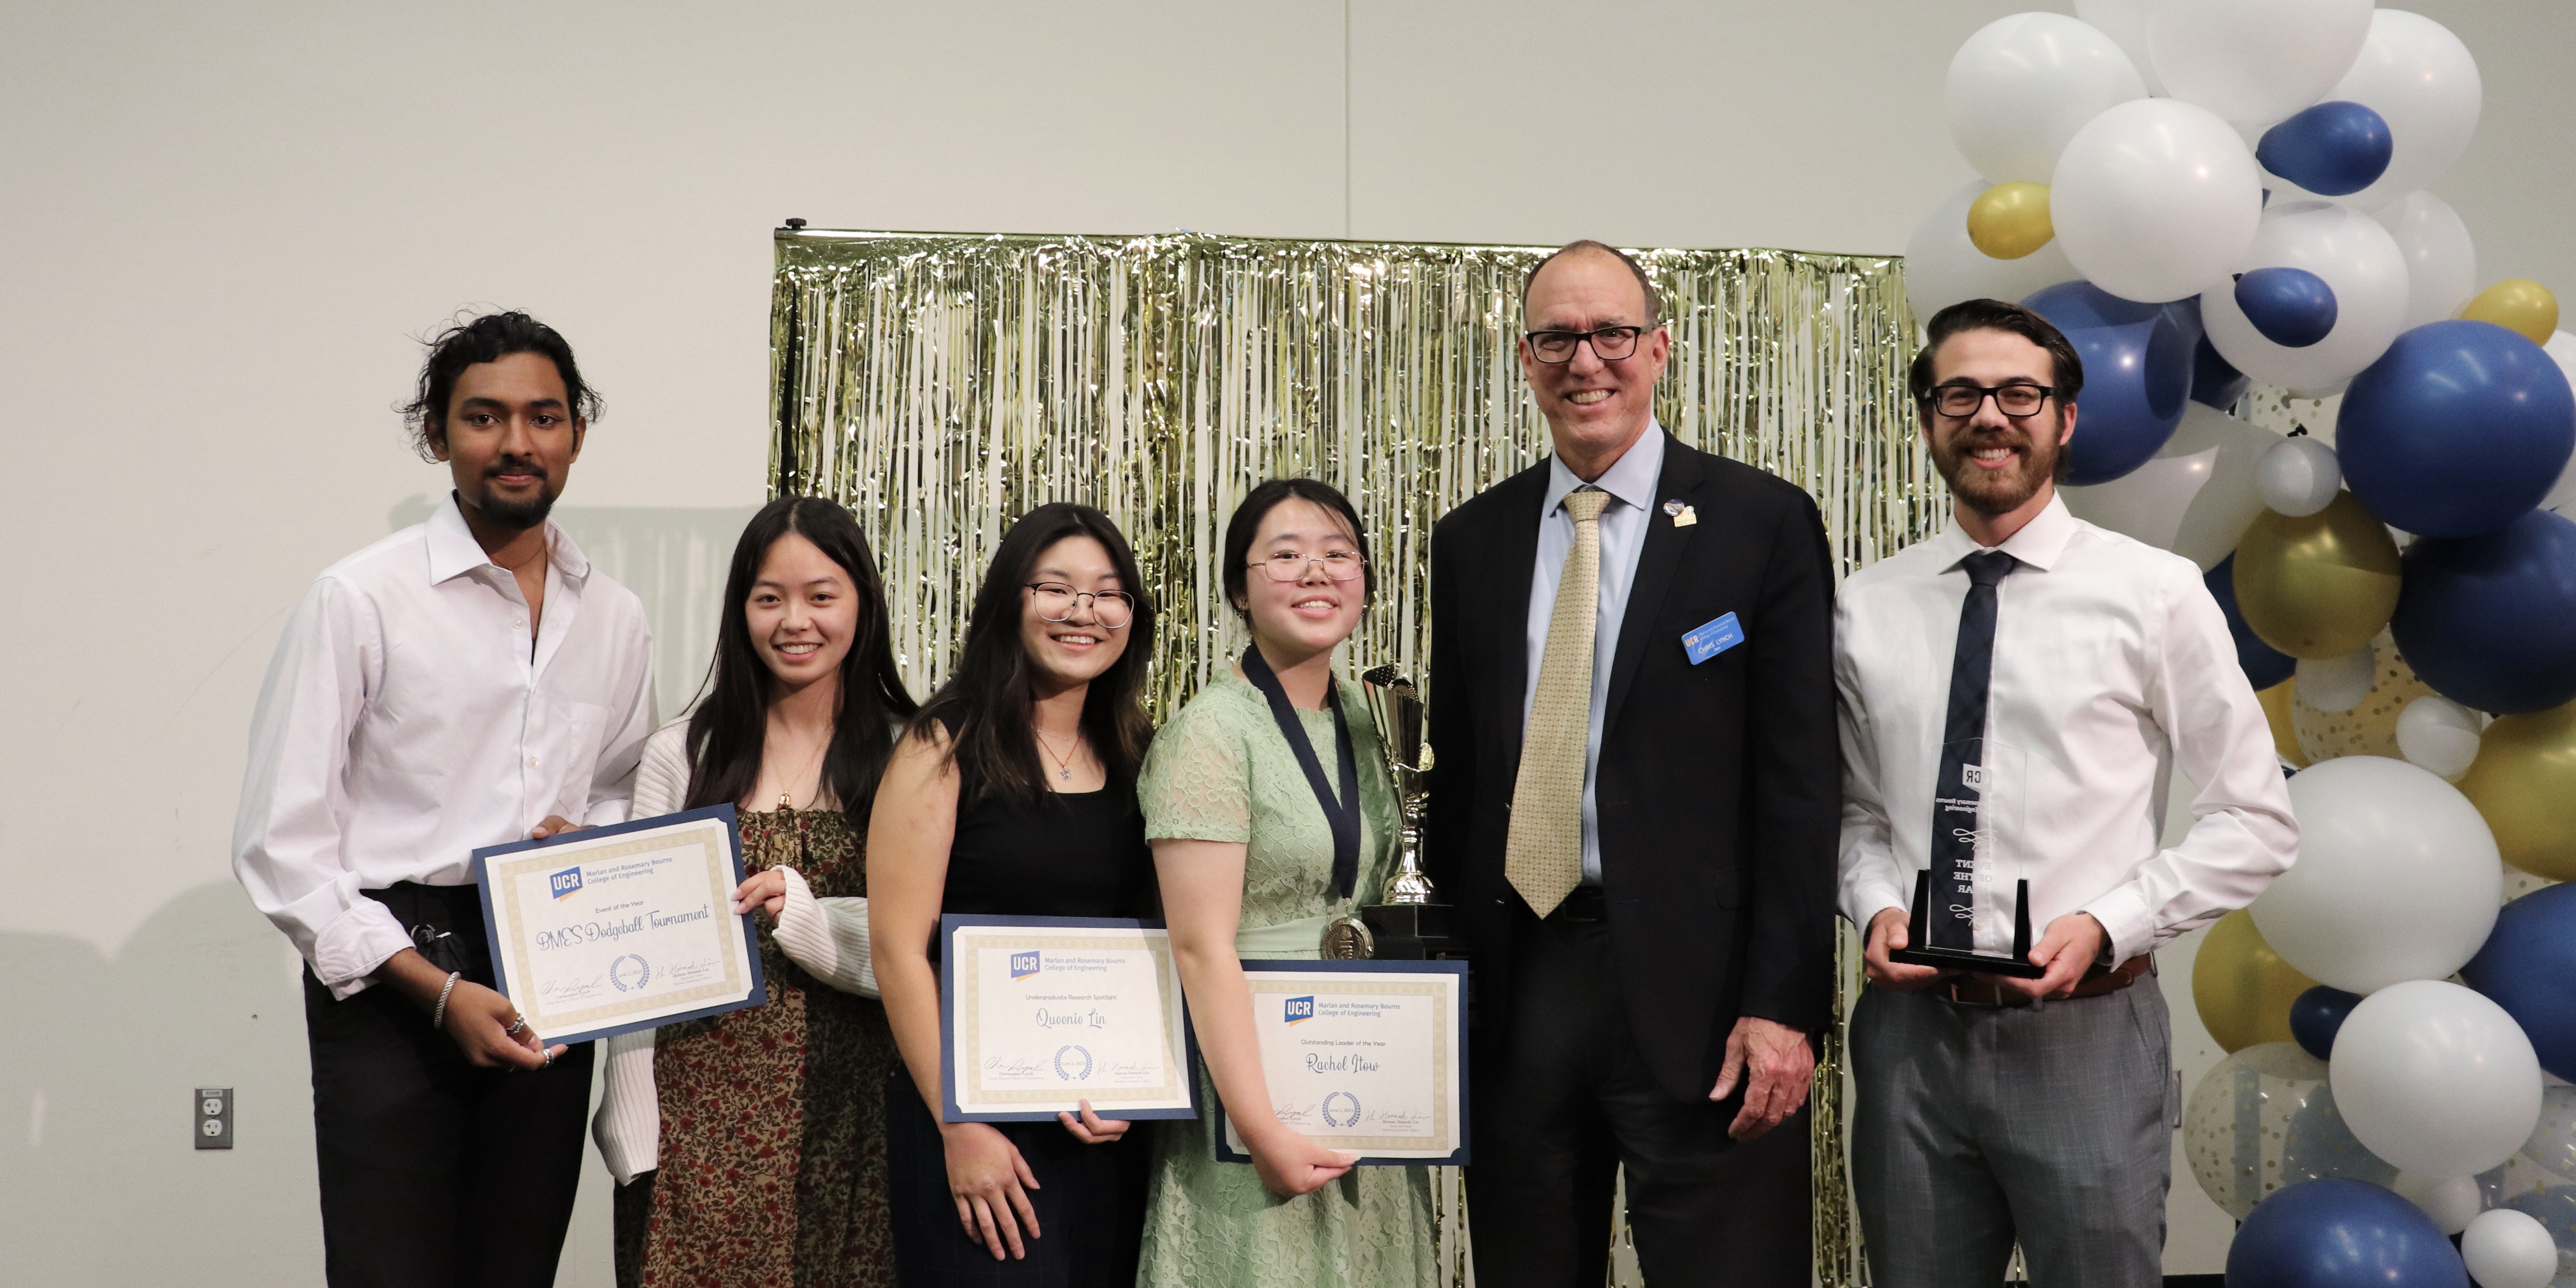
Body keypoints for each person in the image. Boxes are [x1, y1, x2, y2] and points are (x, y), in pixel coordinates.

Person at [1835, 298, 2299, 1288]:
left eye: (2019, 394)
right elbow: (1854, 812)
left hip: (2086, 1032)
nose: (1989, 417)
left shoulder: (2155, 593)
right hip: (1909, 1041)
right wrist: (1874, 904)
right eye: (1961, 395)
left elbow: (2256, 820)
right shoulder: (1865, 607)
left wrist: (2107, 924)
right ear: (1928, 418)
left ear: (2065, 419)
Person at [1423, 240, 1841, 1287]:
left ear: (1659, 349)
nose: (1586, 361)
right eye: (1557, 338)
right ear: (1526, 360)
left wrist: (1784, 1005)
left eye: (1612, 333)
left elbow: (1801, 786)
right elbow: (1461, 782)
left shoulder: (1761, 524)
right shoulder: (1473, 540)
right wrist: (1444, 992)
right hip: (1520, 988)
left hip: (1708, 1002)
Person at [232, 310, 653, 1287]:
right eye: (484, 417)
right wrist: (436, 988)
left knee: (517, 1264)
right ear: (437, 436)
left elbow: (621, 789)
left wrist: (586, 843)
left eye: (544, 417)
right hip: (394, 970)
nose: (518, 442)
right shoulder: (359, 599)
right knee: (392, 1269)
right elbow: (281, 842)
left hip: (552, 965)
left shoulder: (616, 615)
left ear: (577, 433)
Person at [592, 496, 919, 1286]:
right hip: (697, 1128)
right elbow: (638, 957)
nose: (794, 621)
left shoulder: (912, 752)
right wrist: (635, 1129)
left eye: (821, 596)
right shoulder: (683, 752)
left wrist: (803, 915)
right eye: (769, 598)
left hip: (864, 1119)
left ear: (863, 604)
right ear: (741, 610)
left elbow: (922, 945)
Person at [1135, 479, 1439, 1286]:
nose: (1316, 572)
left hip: (1366, 1067)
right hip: (1254, 1079)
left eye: (1339, 554)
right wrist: (1259, 1127)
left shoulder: (1380, 720)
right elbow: (1199, 948)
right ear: (1239, 589)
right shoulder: (1208, 732)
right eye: (1286, 555)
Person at [867, 503, 1160, 1287]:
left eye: (1108, 594)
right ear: (1009, 600)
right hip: (978, 1127)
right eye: (1056, 588)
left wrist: (1140, 1087)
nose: (1083, 612)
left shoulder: (1143, 753)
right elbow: (897, 950)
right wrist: (959, 1123)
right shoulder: (943, 745)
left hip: (1107, 1123)